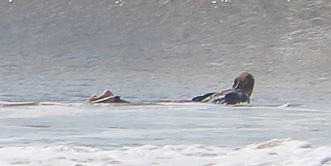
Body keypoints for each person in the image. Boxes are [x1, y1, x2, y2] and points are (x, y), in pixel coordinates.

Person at [88, 71, 255, 105]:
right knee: (145, 107)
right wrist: (243, 99)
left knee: (146, 106)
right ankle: (113, 99)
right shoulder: (240, 95)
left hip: (191, 103)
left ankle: (113, 98)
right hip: (193, 106)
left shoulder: (222, 91)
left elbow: (201, 97)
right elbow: (233, 97)